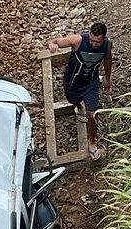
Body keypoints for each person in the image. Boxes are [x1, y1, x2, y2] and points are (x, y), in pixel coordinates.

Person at [48, 21, 113, 161]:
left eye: (98, 42)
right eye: (92, 40)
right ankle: (78, 106)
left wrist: (108, 79)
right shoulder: (77, 40)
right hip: (72, 81)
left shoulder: (107, 45)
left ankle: (91, 142)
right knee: (73, 100)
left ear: (103, 38)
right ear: (88, 35)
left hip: (91, 83)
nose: (94, 44)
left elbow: (108, 59)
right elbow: (54, 41)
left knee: (93, 113)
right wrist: (52, 44)